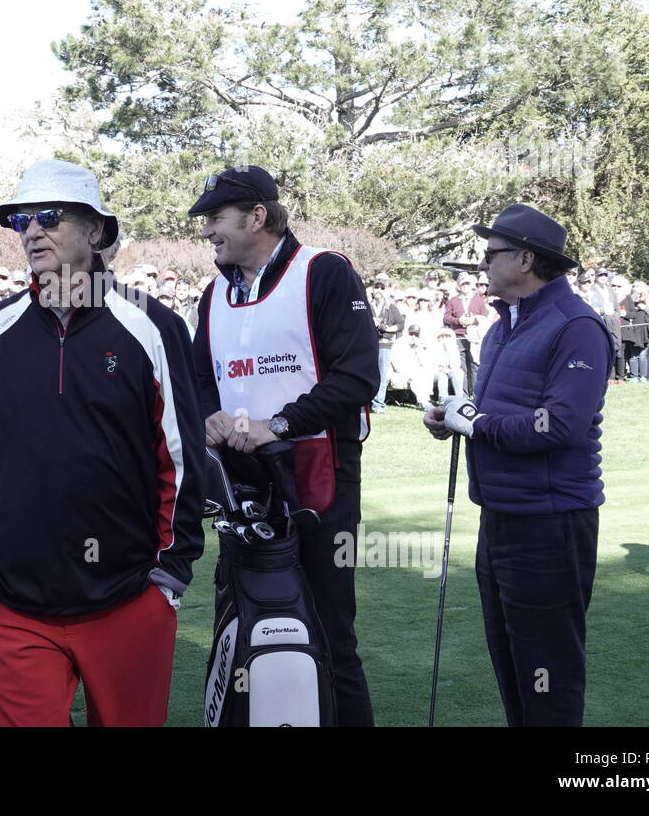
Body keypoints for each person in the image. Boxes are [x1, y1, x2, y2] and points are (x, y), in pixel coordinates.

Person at [0, 159, 204, 727]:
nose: (32, 231)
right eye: (21, 221)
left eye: (48, 217)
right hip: (10, 606)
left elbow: (182, 458)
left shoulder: (151, 324)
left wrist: (169, 576)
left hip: (130, 598)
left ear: (94, 230)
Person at [189, 165, 378, 726]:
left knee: (327, 632)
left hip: (319, 479)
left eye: (216, 218)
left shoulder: (323, 272)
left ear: (257, 216)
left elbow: (357, 376)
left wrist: (282, 423)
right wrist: (210, 416)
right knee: (241, 621)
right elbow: (199, 377)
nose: (207, 232)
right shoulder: (214, 292)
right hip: (240, 482)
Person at [423, 204, 612, 726]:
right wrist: (453, 421)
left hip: (550, 524)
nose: (482, 265)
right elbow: (498, 415)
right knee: (512, 665)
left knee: (547, 673)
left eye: (491, 254)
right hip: (502, 517)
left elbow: (560, 425)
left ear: (526, 259)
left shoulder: (576, 325)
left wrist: (476, 424)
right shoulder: (503, 326)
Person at [369, 275, 404, 413]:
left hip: (384, 344)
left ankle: (378, 404)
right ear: (372, 289)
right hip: (369, 344)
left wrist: (387, 328)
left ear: (386, 290)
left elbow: (401, 324)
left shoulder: (391, 307)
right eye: (376, 287)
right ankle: (367, 403)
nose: (379, 290)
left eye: (382, 288)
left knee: (382, 375)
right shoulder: (366, 305)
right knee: (369, 374)